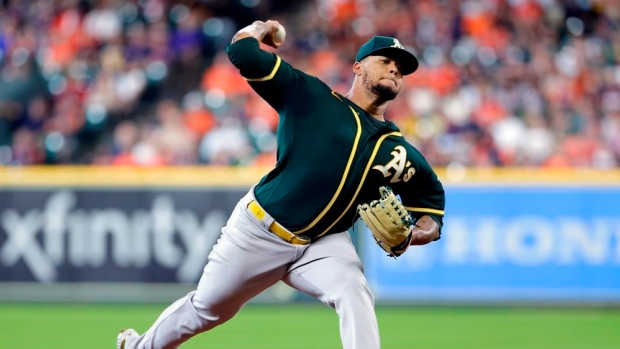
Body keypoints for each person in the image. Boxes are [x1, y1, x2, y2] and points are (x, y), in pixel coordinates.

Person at [117, 19, 445, 349]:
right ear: (358, 66)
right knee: (208, 309)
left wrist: (424, 230)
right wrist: (260, 28)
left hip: (323, 243)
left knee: (353, 289)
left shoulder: (398, 150)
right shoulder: (312, 98)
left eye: (401, 68)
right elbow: (242, 53)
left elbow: (431, 198)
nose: (394, 70)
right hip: (260, 231)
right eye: (385, 61)